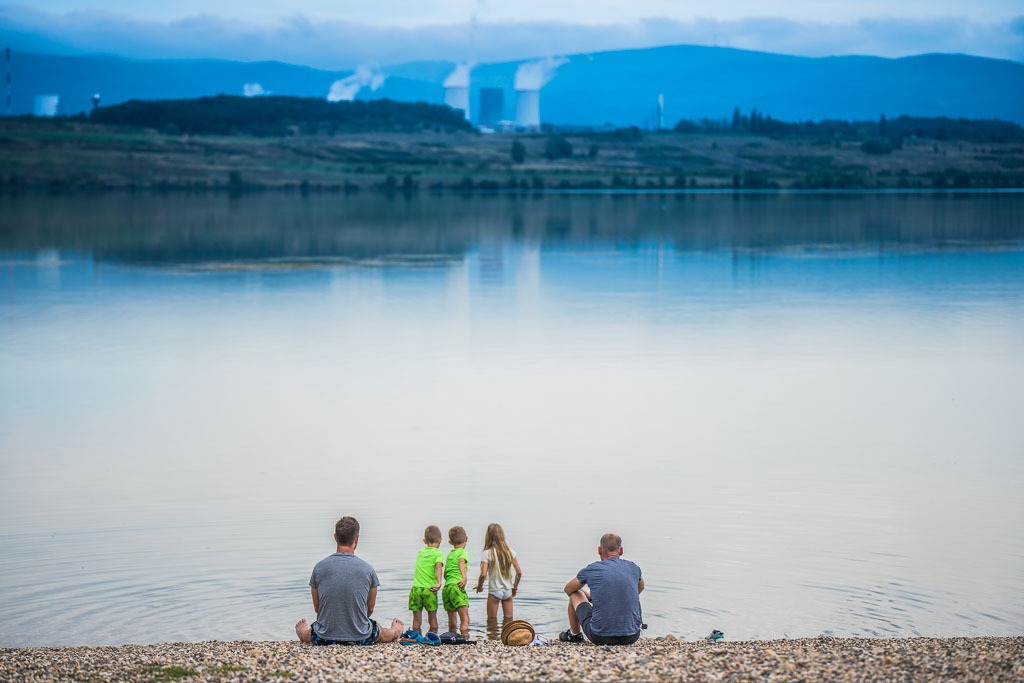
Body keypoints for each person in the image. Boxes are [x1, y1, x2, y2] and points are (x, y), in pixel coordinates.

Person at [295, 516, 404, 645]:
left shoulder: (319, 567)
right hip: (361, 637)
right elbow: (369, 609)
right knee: (381, 632)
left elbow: (318, 608)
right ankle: (395, 632)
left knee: (311, 632)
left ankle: (304, 633)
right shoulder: (368, 569)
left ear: (335, 537)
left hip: (323, 638)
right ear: (357, 538)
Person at [559, 532, 644, 645]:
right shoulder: (634, 568)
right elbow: (640, 587)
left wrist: (585, 595)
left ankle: (575, 635)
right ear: (621, 550)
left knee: (575, 593)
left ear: (599, 550)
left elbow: (568, 589)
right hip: (632, 636)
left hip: (599, 637)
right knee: (634, 597)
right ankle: (630, 625)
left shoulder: (592, 569)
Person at [474, 523, 523, 622]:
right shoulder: (510, 552)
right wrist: (514, 587)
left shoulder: (487, 553)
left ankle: (492, 636)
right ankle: (508, 637)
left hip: (495, 591)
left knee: (491, 620)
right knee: (509, 620)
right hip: (508, 590)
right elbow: (519, 572)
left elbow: (483, 574)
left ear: (488, 536)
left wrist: (479, 586)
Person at [408, 524, 444, 635]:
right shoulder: (438, 553)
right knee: (433, 620)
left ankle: (415, 638)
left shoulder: (421, 552)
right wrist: (439, 582)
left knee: (416, 620)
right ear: (440, 540)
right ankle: (431, 638)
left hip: (416, 589)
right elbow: (438, 566)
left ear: (424, 540)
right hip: (429, 590)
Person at [442, 525, 471, 636]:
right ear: (466, 539)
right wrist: (464, 577)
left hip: (447, 588)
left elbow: (445, 574)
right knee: (465, 619)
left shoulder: (450, 555)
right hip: (456, 587)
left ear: (450, 542)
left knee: (452, 621)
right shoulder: (462, 553)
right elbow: (461, 562)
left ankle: (451, 636)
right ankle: (464, 638)